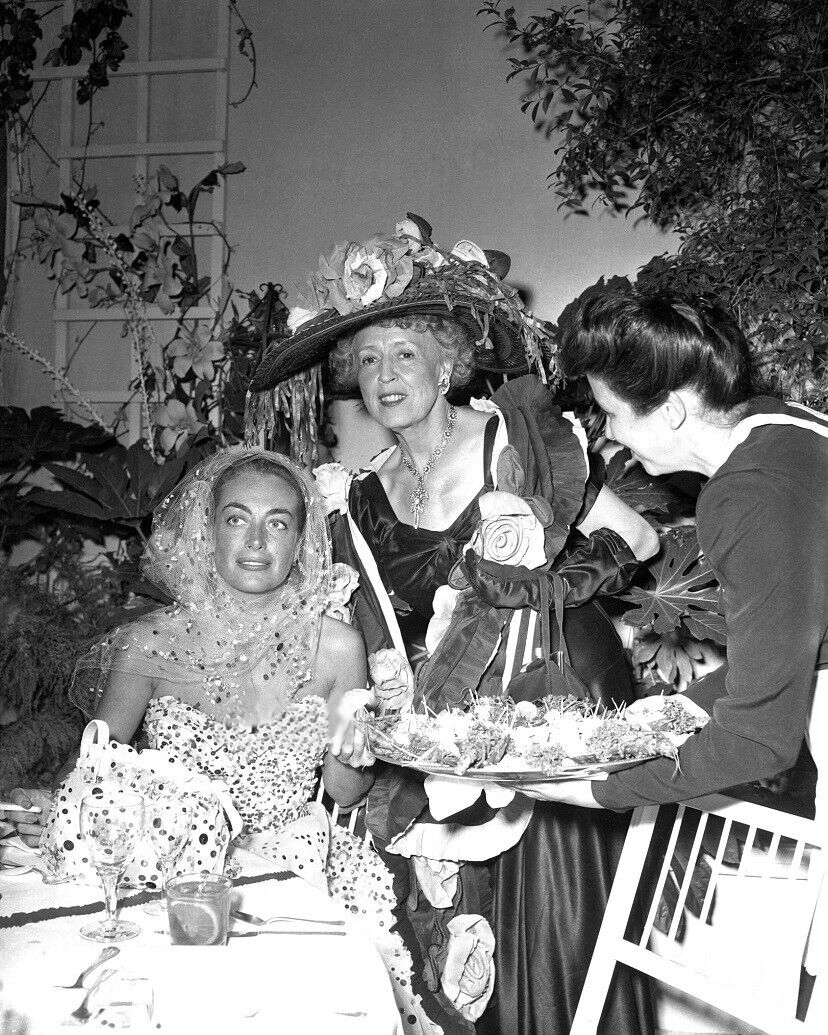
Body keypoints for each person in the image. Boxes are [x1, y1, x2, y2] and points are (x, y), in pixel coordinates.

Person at [247, 218, 660, 1034]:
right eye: (366, 359)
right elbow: (375, 639)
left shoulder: (521, 439)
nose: (384, 375)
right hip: (448, 740)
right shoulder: (358, 494)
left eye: (404, 353)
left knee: (552, 944)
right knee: (451, 957)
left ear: (447, 362)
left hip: (554, 720)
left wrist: (535, 585)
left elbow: (638, 540)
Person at [0, 447, 440, 1035]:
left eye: (278, 523)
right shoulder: (149, 644)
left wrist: (352, 749)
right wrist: (54, 801)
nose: (257, 540)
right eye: (237, 519)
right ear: (207, 532)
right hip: (167, 870)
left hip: (299, 867)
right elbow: (95, 766)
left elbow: (347, 792)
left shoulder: (337, 646)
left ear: (302, 542)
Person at [525, 289, 827, 1019]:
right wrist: (671, 710)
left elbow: (758, 736)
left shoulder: (743, 497)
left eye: (615, 414)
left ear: (672, 410)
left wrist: (596, 789)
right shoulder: (782, 426)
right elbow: (796, 649)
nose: (614, 438)